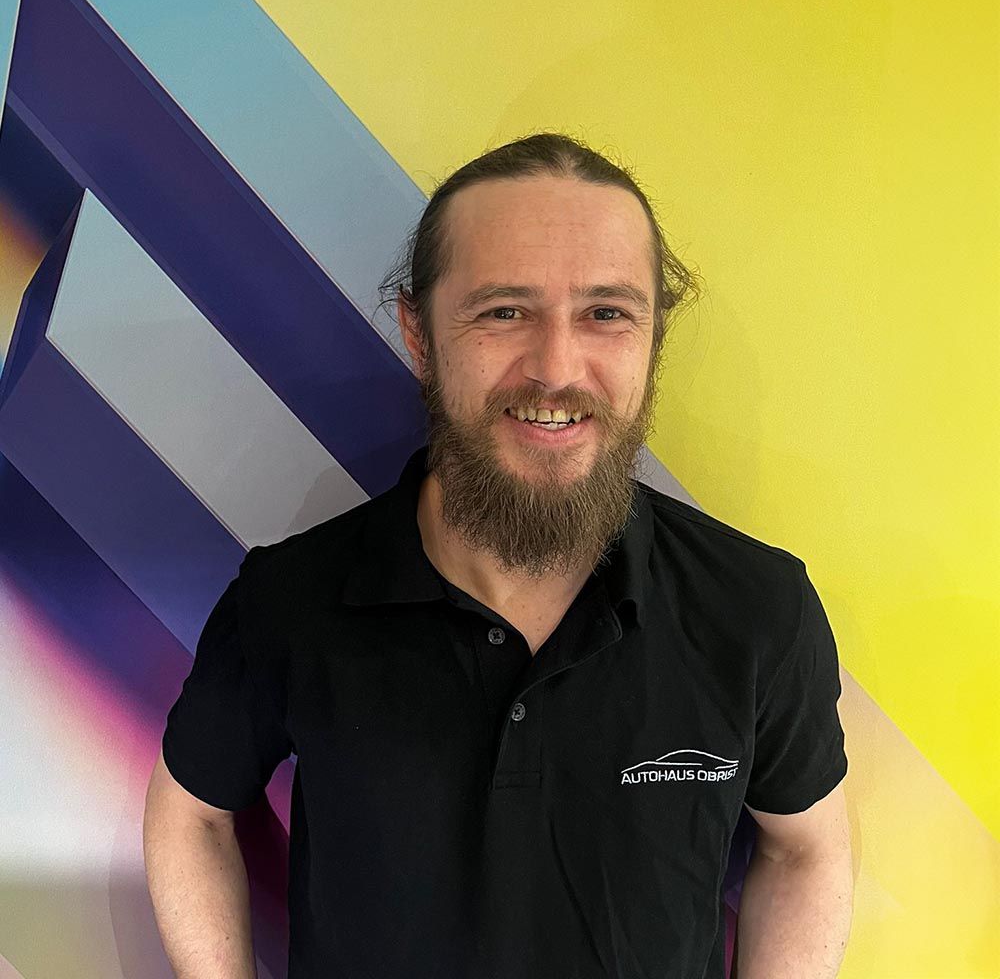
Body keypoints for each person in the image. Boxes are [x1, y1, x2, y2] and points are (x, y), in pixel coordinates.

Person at [143, 133, 853, 978]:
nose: (556, 369)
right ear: (419, 334)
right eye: (504, 312)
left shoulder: (756, 611)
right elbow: (192, 815)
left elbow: (807, 850)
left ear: (654, 337)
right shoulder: (289, 600)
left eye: (607, 313)